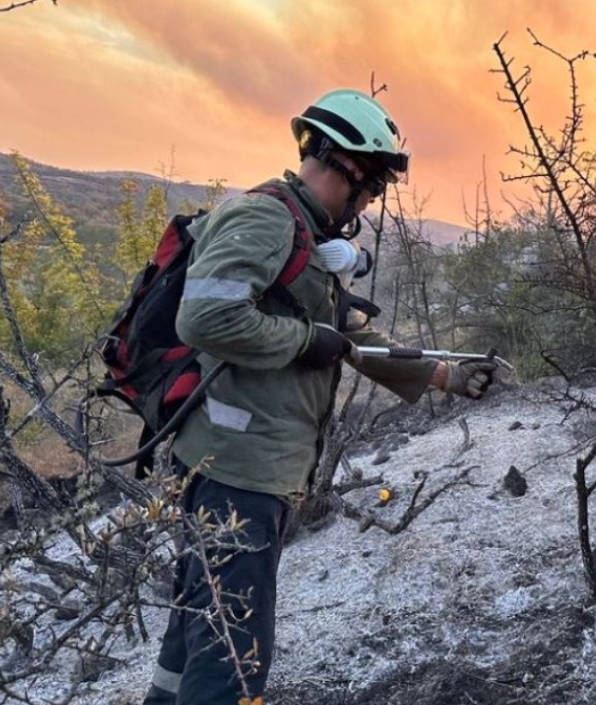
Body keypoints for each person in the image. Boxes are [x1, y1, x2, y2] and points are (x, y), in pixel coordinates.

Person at [141, 88, 498, 705]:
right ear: (350, 168)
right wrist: (305, 340)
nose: (374, 199)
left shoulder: (305, 233)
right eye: (376, 184)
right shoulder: (265, 219)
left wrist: (443, 374)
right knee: (233, 655)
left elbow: (348, 335)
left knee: (198, 627)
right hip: (237, 472)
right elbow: (204, 319)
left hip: (254, 467)